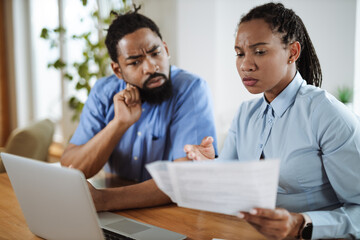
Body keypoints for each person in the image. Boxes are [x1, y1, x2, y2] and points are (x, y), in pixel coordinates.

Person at [184, 3, 360, 240]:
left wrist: (302, 223)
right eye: (239, 53)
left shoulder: (327, 115)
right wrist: (210, 165)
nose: (246, 64)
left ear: (293, 52)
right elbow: (229, 193)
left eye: (259, 51)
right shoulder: (245, 114)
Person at [61, 6, 217, 211]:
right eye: (135, 62)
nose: (151, 67)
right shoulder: (103, 91)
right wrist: (118, 124)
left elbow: (185, 180)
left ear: (166, 49)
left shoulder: (191, 89)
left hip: (172, 211)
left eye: (155, 53)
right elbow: (72, 167)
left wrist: (103, 200)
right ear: (117, 69)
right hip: (121, 207)